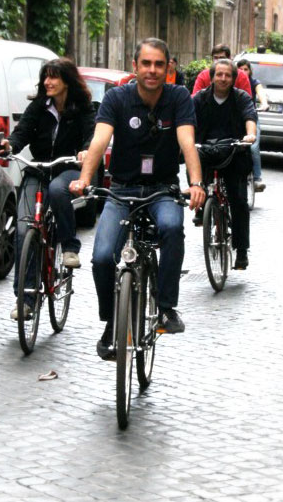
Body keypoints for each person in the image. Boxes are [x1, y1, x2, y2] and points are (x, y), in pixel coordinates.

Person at [71, 37, 206, 358]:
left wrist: (196, 183)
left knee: (173, 229)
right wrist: (84, 179)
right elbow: (100, 140)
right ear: (135, 67)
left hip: (162, 189)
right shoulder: (117, 98)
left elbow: (187, 143)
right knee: (102, 257)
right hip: (121, 190)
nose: (152, 70)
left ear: (168, 68)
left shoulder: (179, 98)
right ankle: (112, 321)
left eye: (159, 64)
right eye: (146, 63)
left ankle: (166, 308)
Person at [0, 58, 95, 320]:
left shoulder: (82, 108)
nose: (48, 82)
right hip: (38, 169)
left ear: (67, 81)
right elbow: (21, 133)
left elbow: (91, 135)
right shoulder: (38, 106)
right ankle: (24, 301)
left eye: (54, 77)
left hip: (66, 168)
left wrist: (85, 150)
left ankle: (70, 246)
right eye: (45, 77)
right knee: (24, 230)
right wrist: (10, 147)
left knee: (60, 191)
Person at [193, 58, 257, 270]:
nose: (223, 78)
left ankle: (241, 251)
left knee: (238, 200)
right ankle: (201, 205)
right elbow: (187, 121)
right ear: (212, 77)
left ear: (233, 78)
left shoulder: (241, 98)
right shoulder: (200, 99)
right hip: (205, 150)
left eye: (227, 75)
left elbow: (250, 118)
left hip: (234, 151)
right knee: (194, 172)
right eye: (219, 74)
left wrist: (249, 136)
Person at [236, 58, 269, 192]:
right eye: (240, 69)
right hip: (235, 118)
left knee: (254, 146)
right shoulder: (233, 80)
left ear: (250, 71)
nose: (243, 72)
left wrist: (264, 103)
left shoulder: (254, 82)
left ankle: (257, 178)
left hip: (251, 117)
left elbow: (261, 92)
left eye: (246, 69)